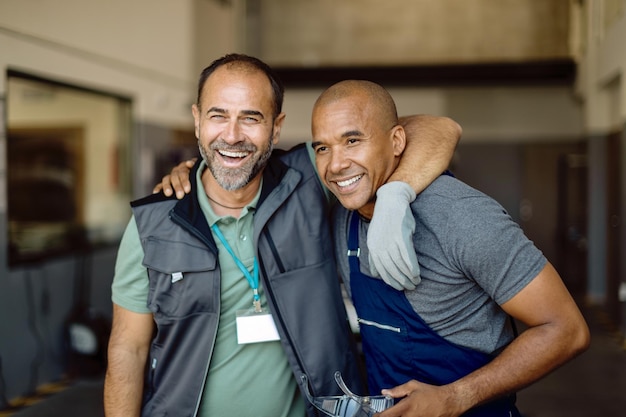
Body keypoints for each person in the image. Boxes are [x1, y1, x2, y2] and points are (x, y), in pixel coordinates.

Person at [104, 54, 461, 417]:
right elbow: (127, 349)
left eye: (251, 118)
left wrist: (393, 196)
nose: (232, 134)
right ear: (197, 121)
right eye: (218, 115)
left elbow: (440, 128)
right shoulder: (154, 222)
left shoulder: (308, 179)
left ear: (276, 128)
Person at [308, 80, 590, 417]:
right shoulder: (345, 218)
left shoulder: (460, 216)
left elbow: (566, 330)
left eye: (352, 141)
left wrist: (455, 397)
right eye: (323, 148)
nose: (336, 164)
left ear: (397, 141)